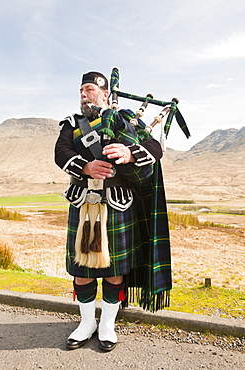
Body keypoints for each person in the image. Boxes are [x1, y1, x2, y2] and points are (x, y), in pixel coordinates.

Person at [54, 71, 172, 352]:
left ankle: (107, 324)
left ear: (105, 93)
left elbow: (154, 146)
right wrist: (85, 167)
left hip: (117, 204)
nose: (83, 94)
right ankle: (86, 323)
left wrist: (132, 153)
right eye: (81, 89)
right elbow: (60, 152)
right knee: (81, 270)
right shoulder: (72, 124)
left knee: (113, 271)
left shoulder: (125, 120)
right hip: (83, 204)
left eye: (89, 89)